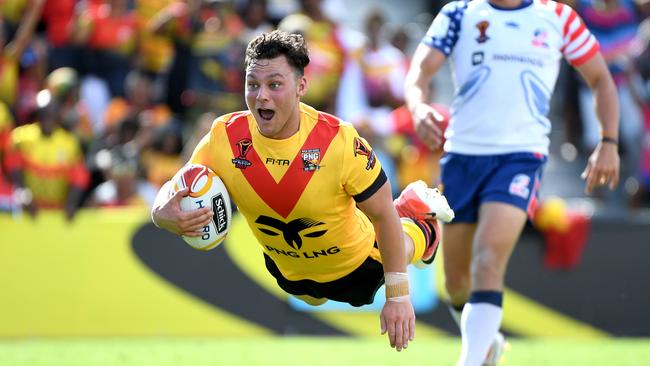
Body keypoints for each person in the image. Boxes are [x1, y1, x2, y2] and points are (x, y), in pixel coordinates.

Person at [151, 30, 455, 352]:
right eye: (252, 84)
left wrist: (398, 296)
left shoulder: (338, 141)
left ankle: (419, 222)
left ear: (301, 87)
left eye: (275, 84)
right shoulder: (223, 136)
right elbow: (178, 185)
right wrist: (160, 214)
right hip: (290, 271)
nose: (261, 96)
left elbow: (382, 214)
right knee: (310, 297)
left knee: (398, 237)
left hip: (359, 262)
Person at [404, 0, 620, 365]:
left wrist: (609, 141)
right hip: (462, 158)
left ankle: (471, 360)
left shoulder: (557, 17)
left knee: (488, 260)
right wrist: (418, 106)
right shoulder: (460, 13)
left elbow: (600, 78)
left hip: (521, 157)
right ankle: (488, 343)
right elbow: (419, 73)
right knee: (455, 282)